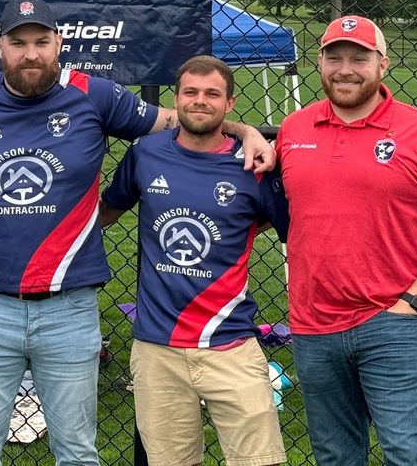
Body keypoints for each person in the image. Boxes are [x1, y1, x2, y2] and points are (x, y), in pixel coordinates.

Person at [0, 0, 275, 466]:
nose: (31, 54)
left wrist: (245, 129)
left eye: (42, 42)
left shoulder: (95, 94)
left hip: (69, 304)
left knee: (77, 452)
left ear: (59, 44)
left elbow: (181, 118)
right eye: (19, 43)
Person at [276, 15, 417, 466]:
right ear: (320, 62)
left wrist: (412, 302)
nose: (345, 69)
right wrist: (244, 130)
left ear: (383, 64)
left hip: (391, 323)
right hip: (312, 326)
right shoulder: (294, 130)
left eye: (359, 58)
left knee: (407, 454)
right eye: (335, 57)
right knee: (335, 456)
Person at [99, 55, 288, 466]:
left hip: (230, 343)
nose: (200, 101)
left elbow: (292, 227)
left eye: (212, 94)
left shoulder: (253, 166)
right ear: (177, 98)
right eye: (191, 92)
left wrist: (243, 228)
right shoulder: (145, 154)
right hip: (157, 348)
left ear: (230, 103)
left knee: (262, 461)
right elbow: (106, 212)